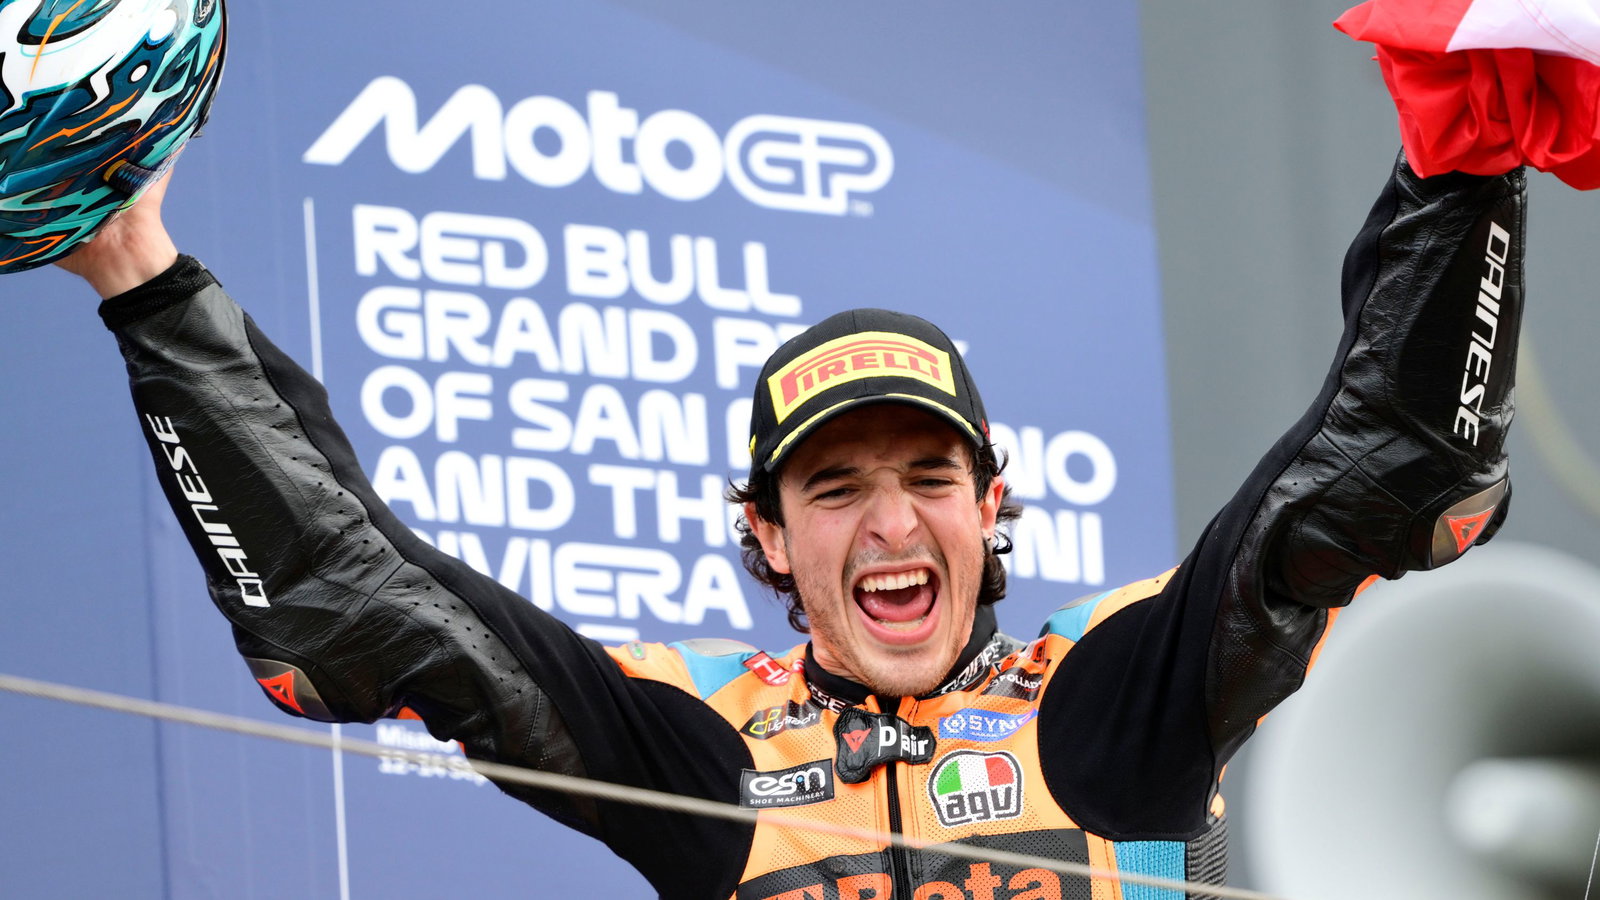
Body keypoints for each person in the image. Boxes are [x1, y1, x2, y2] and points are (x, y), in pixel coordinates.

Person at [58, 150, 1525, 898]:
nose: (891, 524)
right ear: (767, 535)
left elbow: (1371, 480)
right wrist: (140, 272)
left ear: (992, 506)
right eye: (834, 489)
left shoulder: (1104, 693)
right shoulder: (704, 738)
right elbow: (363, 608)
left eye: (929, 479)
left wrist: (1462, 167)